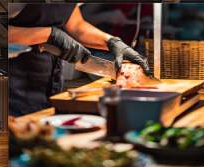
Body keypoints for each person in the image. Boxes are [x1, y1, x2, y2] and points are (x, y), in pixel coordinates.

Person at [8, 4, 151, 116]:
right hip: (11, 83)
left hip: (46, 79)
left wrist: (111, 42)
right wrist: (49, 34)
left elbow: (76, 25)